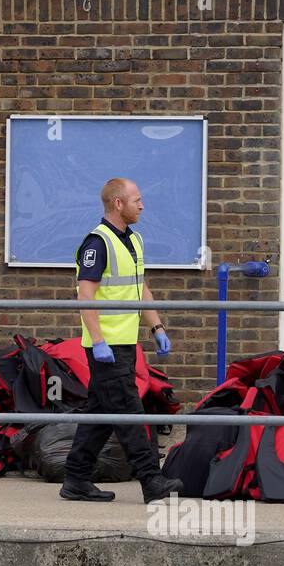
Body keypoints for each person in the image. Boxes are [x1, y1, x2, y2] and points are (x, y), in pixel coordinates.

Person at [60, 178, 184, 503]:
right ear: (118, 203)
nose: (142, 205)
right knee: (130, 412)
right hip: (106, 350)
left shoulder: (134, 240)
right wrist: (98, 341)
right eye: (137, 200)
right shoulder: (97, 243)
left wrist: (157, 327)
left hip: (125, 346)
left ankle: (75, 478)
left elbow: (140, 287)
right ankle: (151, 481)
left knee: (100, 414)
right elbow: (85, 295)